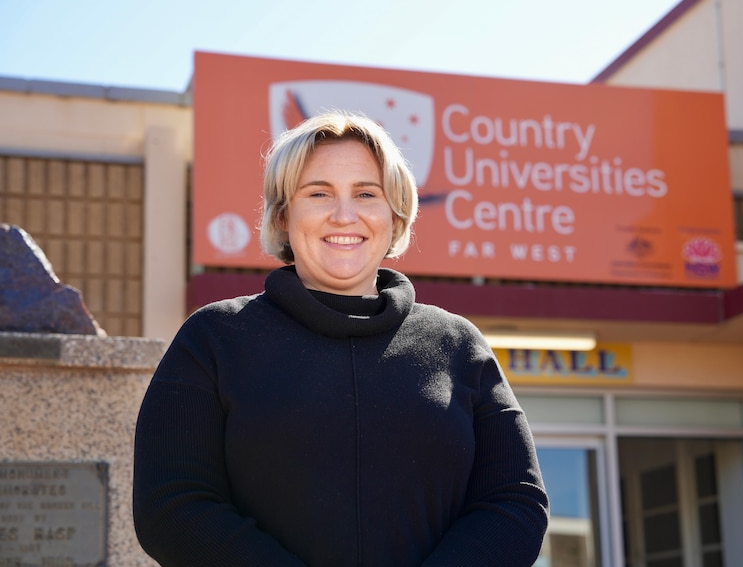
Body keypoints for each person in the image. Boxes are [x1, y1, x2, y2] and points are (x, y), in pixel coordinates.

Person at [133, 111, 549, 566]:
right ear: (283, 214)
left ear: (395, 216)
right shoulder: (213, 339)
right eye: (319, 193)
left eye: (366, 194)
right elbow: (171, 505)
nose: (344, 215)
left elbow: (516, 502)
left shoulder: (458, 345)